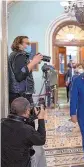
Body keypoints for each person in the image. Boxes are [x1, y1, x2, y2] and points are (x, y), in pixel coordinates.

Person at [8, 36, 47, 167]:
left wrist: (31, 62)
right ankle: (29, 157)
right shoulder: (18, 56)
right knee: (28, 128)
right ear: (19, 44)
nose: (29, 45)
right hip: (21, 96)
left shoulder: (17, 56)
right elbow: (19, 76)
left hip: (20, 95)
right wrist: (33, 62)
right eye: (26, 43)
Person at [1, 97, 46, 167]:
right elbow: (41, 140)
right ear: (27, 110)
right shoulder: (27, 130)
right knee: (39, 149)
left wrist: (31, 118)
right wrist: (41, 119)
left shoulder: (2, 124)